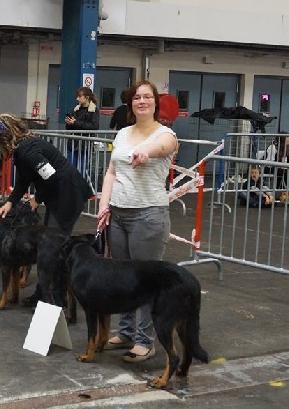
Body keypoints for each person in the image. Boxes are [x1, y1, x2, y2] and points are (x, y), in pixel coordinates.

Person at [96, 79, 178, 363]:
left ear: (156, 102)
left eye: (147, 97)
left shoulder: (165, 134)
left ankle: (146, 340)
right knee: (123, 279)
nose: (141, 101)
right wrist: (104, 205)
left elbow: (164, 147)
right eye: (136, 97)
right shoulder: (121, 134)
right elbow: (111, 172)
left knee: (146, 282)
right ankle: (126, 332)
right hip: (118, 214)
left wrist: (147, 151)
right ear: (130, 103)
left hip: (149, 215)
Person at [0, 113, 94, 305]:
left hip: (67, 196)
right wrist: (10, 203)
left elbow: (51, 176)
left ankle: (58, 301)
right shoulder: (23, 148)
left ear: (3, 138)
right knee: (47, 248)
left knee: (54, 249)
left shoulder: (28, 150)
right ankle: (42, 294)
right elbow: (23, 180)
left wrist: (37, 198)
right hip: (59, 196)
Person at [65, 86, 99, 173]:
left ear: (87, 98)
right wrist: (69, 123)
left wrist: (75, 123)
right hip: (72, 144)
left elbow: (94, 126)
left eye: (80, 96)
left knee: (81, 171)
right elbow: (69, 129)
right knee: (70, 170)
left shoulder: (94, 110)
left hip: (85, 146)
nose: (77, 98)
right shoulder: (76, 109)